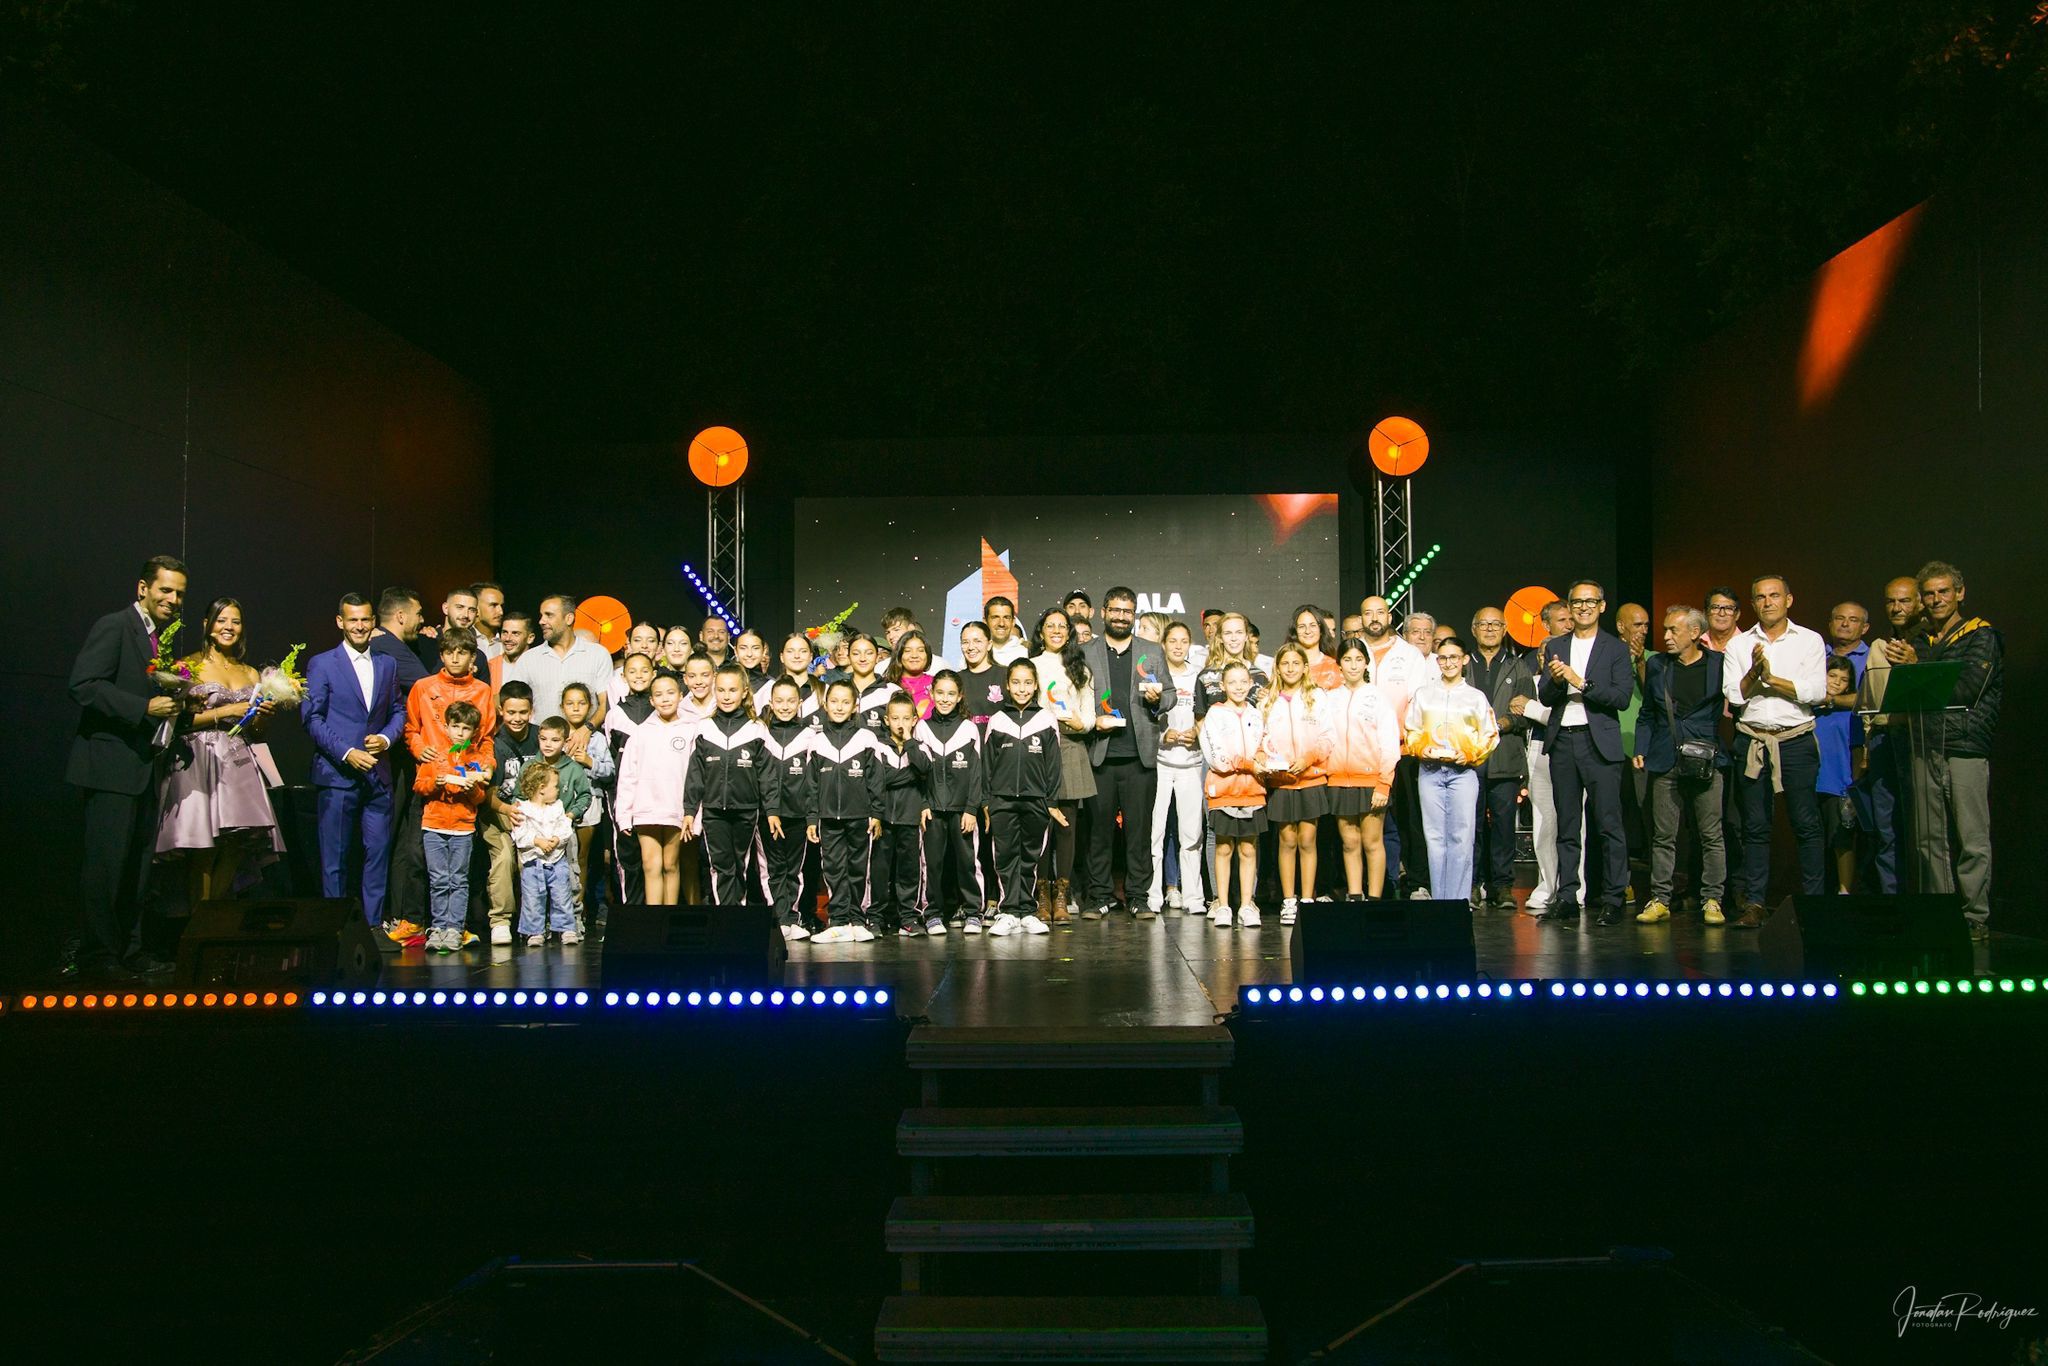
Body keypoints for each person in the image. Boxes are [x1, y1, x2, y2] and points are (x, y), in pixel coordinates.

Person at [68, 555, 189, 981]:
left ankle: (130, 950)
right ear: (143, 588)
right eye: (165, 590)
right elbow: (83, 685)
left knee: (137, 869)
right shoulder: (116, 626)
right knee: (107, 867)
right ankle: (98, 955)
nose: (173, 600)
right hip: (111, 767)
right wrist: (143, 708)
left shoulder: (160, 639)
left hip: (145, 768)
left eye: (179, 594)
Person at [1887, 560, 2001, 937]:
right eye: (1929, 594)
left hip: (1965, 744)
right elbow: (1905, 692)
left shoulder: (1981, 635)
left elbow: (1967, 690)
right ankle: (1941, 911)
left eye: (1944, 592)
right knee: (1927, 838)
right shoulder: (1919, 639)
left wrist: (1917, 665)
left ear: (1960, 593)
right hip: (1924, 743)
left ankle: (1974, 915)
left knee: (1971, 837)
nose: (1936, 599)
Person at [155, 596, 286, 906]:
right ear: (207, 624)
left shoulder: (251, 673)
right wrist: (226, 711)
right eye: (222, 620)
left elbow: (257, 733)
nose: (229, 627)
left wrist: (262, 717)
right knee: (203, 846)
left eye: (235, 621)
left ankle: (211, 915)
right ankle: (198, 919)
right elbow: (179, 722)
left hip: (239, 761)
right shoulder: (188, 666)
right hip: (200, 757)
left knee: (236, 843)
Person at [1723, 574, 1829, 925]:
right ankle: (1754, 903)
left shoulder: (1809, 640)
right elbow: (1735, 696)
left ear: (1788, 600)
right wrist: (1754, 673)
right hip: (1752, 740)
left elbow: (1816, 692)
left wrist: (1770, 679)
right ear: (1753, 604)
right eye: (1760, 597)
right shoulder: (1739, 645)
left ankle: (1813, 904)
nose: (1768, 602)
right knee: (1755, 826)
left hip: (1795, 740)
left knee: (1806, 823)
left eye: (1774, 595)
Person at [303, 593, 407, 938]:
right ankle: (335, 930)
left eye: (365, 619)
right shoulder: (322, 663)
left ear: (373, 621)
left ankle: (374, 925)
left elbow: (398, 711)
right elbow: (312, 718)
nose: (360, 626)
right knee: (335, 858)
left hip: (378, 774)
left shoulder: (387, 663)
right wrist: (347, 752)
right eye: (353, 620)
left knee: (377, 853)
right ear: (340, 622)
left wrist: (386, 739)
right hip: (338, 775)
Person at [1537, 580, 1635, 926]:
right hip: (1563, 741)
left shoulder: (1615, 649)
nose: (1583, 608)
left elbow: (1621, 698)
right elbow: (1546, 697)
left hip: (1599, 743)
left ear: (1602, 606)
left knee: (1608, 824)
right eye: (1577, 602)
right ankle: (1567, 896)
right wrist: (1556, 681)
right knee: (1567, 824)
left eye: (1590, 602)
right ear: (1569, 607)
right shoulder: (1557, 645)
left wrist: (1580, 682)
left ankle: (1613, 898)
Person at [1079, 587, 1171, 920]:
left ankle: (1138, 897)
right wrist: (1091, 721)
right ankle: (1099, 896)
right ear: (1103, 612)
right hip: (1099, 755)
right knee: (1098, 832)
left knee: (1139, 833)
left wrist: (1158, 700)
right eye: (1115, 610)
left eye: (1127, 611)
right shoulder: (1086, 651)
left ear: (1134, 615)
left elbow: (1170, 694)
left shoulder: (1151, 650)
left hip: (1139, 757)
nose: (1121, 617)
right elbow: (1074, 696)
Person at [1633, 606, 1728, 925]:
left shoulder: (1718, 664)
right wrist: (1641, 747)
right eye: (1665, 629)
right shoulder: (1657, 664)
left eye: (1673, 630)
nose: (1666, 636)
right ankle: (1660, 898)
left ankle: (1712, 899)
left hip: (1705, 757)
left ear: (1695, 633)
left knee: (1711, 834)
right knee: (1663, 835)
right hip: (1666, 757)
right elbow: (1647, 713)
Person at [1403, 635, 1499, 904]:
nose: (1448, 663)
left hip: (1462, 773)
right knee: (1434, 838)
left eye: (1454, 657)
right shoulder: (1424, 694)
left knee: (1462, 838)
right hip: (1430, 771)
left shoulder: (1475, 697)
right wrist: (1421, 749)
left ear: (1464, 659)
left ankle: (1458, 902)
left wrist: (1468, 754)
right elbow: (1411, 729)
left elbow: (1490, 735)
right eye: (1443, 658)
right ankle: (1440, 903)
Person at [683, 663, 780, 907]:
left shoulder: (757, 729)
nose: (726, 696)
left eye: (732, 690)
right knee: (721, 866)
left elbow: (767, 775)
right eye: (721, 690)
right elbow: (695, 773)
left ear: (744, 692)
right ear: (714, 691)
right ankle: (725, 916)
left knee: (740, 865)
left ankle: (738, 915)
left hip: (746, 809)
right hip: (714, 810)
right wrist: (689, 811)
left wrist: (772, 810)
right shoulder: (704, 728)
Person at [982, 659, 1063, 937]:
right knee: (1005, 857)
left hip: (1036, 800)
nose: (1022, 688)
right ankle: (1008, 911)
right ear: (1007, 685)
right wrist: (987, 801)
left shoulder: (1046, 719)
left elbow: (1054, 765)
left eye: (1028, 683)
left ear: (1036, 685)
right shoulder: (997, 720)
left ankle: (1027, 911)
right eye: (1016, 682)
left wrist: (1050, 801)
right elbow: (987, 764)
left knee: (1030, 857)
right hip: (1002, 800)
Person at [1852, 576, 1922, 894]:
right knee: (1885, 827)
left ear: (1919, 603)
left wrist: (1915, 662)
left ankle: (1924, 900)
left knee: (1920, 825)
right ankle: (1893, 898)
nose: (1896, 607)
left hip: (1916, 738)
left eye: (1904, 600)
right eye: (1891, 601)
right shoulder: (1879, 647)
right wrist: (1867, 749)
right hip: (1882, 739)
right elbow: (1868, 703)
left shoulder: (1929, 644)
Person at [1464, 607, 1537, 910]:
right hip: (1469, 756)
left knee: (1504, 825)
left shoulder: (1518, 668)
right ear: (1474, 629)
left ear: (1505, 630)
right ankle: (1472, 883)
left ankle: (1503, 886)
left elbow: (1527, 712)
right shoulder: (1464, 665)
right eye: (1484, 624)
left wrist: (1503, 722)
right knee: (1472, 825)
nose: (1490, 629)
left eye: (1496, 624)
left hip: (1505, 756)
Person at [1513, 599, 1582, 913]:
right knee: (1544, 823)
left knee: (1575, 822)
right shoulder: (1531, 678)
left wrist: (1529, 707)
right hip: (1539, 750)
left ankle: (1576, 887)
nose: (1546, 657)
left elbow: (1564, 714)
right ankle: (1547, 885)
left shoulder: (1574, 672)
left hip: (1569, 747)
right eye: (1541, 652)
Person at [1357, 597, 1429, 897]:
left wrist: (1403, 738)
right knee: (1368, 823)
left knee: (1410, 820)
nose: (1374, 618)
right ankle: (1376, 885)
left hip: (1403, 751)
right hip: (1363, 753)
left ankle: (1417, 882)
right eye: (1368, 613)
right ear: (1361, 618)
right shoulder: (1353, 651)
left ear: (1389, 617)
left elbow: (1419, 701)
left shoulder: (1409, 654)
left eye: (1380, 612)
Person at [806, 679, 884, 943]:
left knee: (859, 869)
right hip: (828, 818)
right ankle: (838, 922)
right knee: (834, 869)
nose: (839, 707)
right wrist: (812, 818)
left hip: (860, 816)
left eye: (845, 702)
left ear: (855, 706)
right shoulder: (817, 741)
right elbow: (811, 785)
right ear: (825, 705)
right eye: (834, 701)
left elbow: (876, 779)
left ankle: (858, 921)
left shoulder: (866, 738)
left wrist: (876, 813)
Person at [1260, 642, 1333, 922]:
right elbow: (1261, 739)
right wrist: (1268, 762)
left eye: (1295, 663)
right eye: (1285, 663)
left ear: (1305, 667)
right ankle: (1289, 900)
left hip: (1311, 778)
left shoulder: (1317, 697)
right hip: (1282, 781)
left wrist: (1309, 758)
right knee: (1287, 839)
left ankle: (1307, 898)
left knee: (1307, 839)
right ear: (1277, 668)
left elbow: (1327, 736)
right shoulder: (1267, 700)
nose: (1290, 668)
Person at [1325, 637, 1400, 899]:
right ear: (1339, 664)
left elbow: (1390, 745)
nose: (1353, 665)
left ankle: (1374, 899)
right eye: (1347, 659)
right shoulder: (1330, 698)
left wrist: (1384, 783)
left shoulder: (1377, 698)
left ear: (1366, 663)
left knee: (1372, 842)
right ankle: (1355, 896)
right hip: (1338, 781)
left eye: (1358, 659)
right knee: (1349, 842)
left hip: (1371, 781)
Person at [412, 699, 488, 954]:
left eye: (466, 728)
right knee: (439, 880)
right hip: (434, 825)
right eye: (456, 727)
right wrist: (436, 783)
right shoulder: (435, 754)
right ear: (446, 727)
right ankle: (438, 928)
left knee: (458, 879)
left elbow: (480, 798)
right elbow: (419, 785)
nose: (460, 733)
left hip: (463, 827)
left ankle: (454, 928)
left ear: (474, 732)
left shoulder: (475, 758)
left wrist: (472, 788)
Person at [613, 674, 694, 905]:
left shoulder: (691, 730)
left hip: (676, 809)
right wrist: (624, 816)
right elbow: (628, 776)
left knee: (671, 864)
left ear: (680, 696)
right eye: (658, 695)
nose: (665, 699)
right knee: (651, 865)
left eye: (670, 693)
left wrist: (692, 813)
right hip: (646, 809)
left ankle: (669, 918)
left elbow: (696, 777)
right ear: (651, 700)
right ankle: (655, 919)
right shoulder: (641, 733)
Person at [917, 671, 985, 934]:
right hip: (932, 811)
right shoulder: (922, 728)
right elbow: (918, 773)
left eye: (951, 694)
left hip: (962, 811)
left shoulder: (968, 729)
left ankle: (973, 913)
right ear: (932, 694)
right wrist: (923, 804)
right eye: (940, 693)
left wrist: (971, 808)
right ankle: (933, 914)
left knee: (967, 863)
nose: (945, 699)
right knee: (932, 864)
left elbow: (976, 772)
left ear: (959, 697)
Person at [1201, 662, 1268, 927]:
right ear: (1223, 686)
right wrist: (1249, 764)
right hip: (1224, 792)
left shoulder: (1256, 714)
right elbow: (1218, 759)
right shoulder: (1214, 715)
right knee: (1224, 847)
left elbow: (1263, 744)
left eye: (1243, 682)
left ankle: (1247, 905)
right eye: (1232, 682)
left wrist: (1262, 755)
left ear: (1250, 684)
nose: (1238, 687)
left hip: (1252, 791)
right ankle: (1223, 905)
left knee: (1249, 849)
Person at [1148, 621, 1208, 914]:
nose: (1178, 646)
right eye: (1173, 640)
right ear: (1163, 644)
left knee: (1191, 834)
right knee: (1155, 833)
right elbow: (1144, 718)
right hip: (1160, 763)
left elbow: (1207, 715)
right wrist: (1163, 735)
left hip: (1191, 764)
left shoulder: (1198, 675)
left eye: (1184, 641)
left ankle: (1194, 897)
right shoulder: (1154, 676)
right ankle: (1153, 894)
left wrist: (1198, 732)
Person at [481, 680, 541, 944]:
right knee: (505, 859)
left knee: (530, 860)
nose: (517, 718)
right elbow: (487, 795)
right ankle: (501, 921)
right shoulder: (493, 743)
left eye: (523, 712)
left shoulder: (540, 737)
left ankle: (534, 921)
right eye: (511, 712)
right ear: (501, 711)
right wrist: (508, 810)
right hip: (499, 814)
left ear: (531, 711)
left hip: (534, 816)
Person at [869, 696, 931, 937]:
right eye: (895, 718)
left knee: (908, 871)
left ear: (915, 720)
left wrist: (909, 743)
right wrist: (912, 775)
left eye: (906, 718)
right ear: (886, 720)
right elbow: (879, 779)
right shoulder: (878, 746)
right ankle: (875, 917)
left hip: (909, 818)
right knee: (879, 871)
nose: (900, 723)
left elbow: (924, 768)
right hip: (883, 818)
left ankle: (908, 917)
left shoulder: (920, 747)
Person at [759, 679, 816, 940]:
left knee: (794, 869)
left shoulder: (810, 735)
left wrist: (810, 813)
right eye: (779, 701)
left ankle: (792, 917)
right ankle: (776, 917)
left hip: (798, 813)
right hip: (766, 814)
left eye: (791, 701)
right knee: (773, 868)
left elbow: (813, 779)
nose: (785, 706)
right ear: (770, 703)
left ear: (800, 703)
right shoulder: (761, 733)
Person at [556, 683, 613, 925]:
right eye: (570, 703)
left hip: (590, 802)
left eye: (581, 703)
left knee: (582, 858)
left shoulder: (597, 739)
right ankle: (561, 911)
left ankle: (579, 911)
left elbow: (610, 771)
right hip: (560, 804)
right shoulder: (556, 734)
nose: (576, 708)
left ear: (590, 707)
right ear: (562, 707)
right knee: (560, 858)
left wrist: (590, 762)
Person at [603, 652, 656, 905]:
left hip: (656, 795)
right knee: (629, 854)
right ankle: (632, 912)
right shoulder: (615, 714)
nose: (639, 676)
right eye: (632, 671)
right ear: (623, 677)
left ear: (653, 674)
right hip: (624, 795)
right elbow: (612, 755)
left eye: (644, 670)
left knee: (655, 859)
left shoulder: (661, 711)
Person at [510, 761, 577, 947]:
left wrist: (556, 839)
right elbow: (519, 835)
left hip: (557, 861)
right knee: (532, 898)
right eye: (555, 786)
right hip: (533, 863)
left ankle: (566, 928)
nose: (558, 790)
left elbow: (565, 827)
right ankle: (534, 931)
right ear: (541, 788)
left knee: (562, 895)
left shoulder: (557, 806)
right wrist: (537, 841)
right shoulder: (522, 809)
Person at [526, 594, 614, 727]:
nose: (541, 621)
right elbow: (511, 700)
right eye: (541, 615)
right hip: (541, 739)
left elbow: (606, 703)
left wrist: (587, 729)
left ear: (569, 618)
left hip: (588, 738)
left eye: (549, 615)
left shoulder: (598, 654)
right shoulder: (529, 659)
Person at [1816, 656, 1860, 894]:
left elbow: (1857, 752)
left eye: (1843, 679)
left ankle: (1845, 892)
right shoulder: (1809, 710)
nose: (1836, 682)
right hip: (1812, 785)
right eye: (1832, 675)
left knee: (1842, 841)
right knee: (1815, 842)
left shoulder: (1852, 714)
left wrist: (1853, 788)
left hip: (1839, 786)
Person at [413, 585, 481, 673]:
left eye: (472, 610)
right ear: (445, 608)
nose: (466, 615)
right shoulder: (424, 642)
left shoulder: (478, 656)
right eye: (460, 607)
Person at [845, 633, 899, 741]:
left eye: (869, 653)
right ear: (849, 657)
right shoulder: (838, 690)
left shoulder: (892, 691)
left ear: (877, 657)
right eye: (856, 653)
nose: (862, 658)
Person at [887, 630, 937, 718]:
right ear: (899, 655)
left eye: (920, 650)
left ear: (928, 655)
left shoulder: (937, 684)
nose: (914, 655)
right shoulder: (887, 686)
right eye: (908, 651)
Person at [1293, 604, 1340, 689]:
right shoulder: (1285, 666)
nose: (1307, 631)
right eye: (1302, 626)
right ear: (1295, 631)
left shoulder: (1334, 667)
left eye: (1313, 625)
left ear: (1321, 630)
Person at [493, 608, 537, 692]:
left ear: (530, 638)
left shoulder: (539, 666)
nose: (508, 638)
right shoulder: (490, 666)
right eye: (505, 632)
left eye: (515, 633)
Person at [984, 596, 1029, 666]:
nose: (1001, 623)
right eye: (995, 617)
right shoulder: (975, 653)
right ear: (985, 621)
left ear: (1013, 622)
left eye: (1006, 617)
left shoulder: (1026, 654)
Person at [470, 582, 506, 660]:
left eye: (502, 606)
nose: (501, 612)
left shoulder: (507, 641)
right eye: (493, 605)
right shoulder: (462, 638)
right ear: (475, 608)